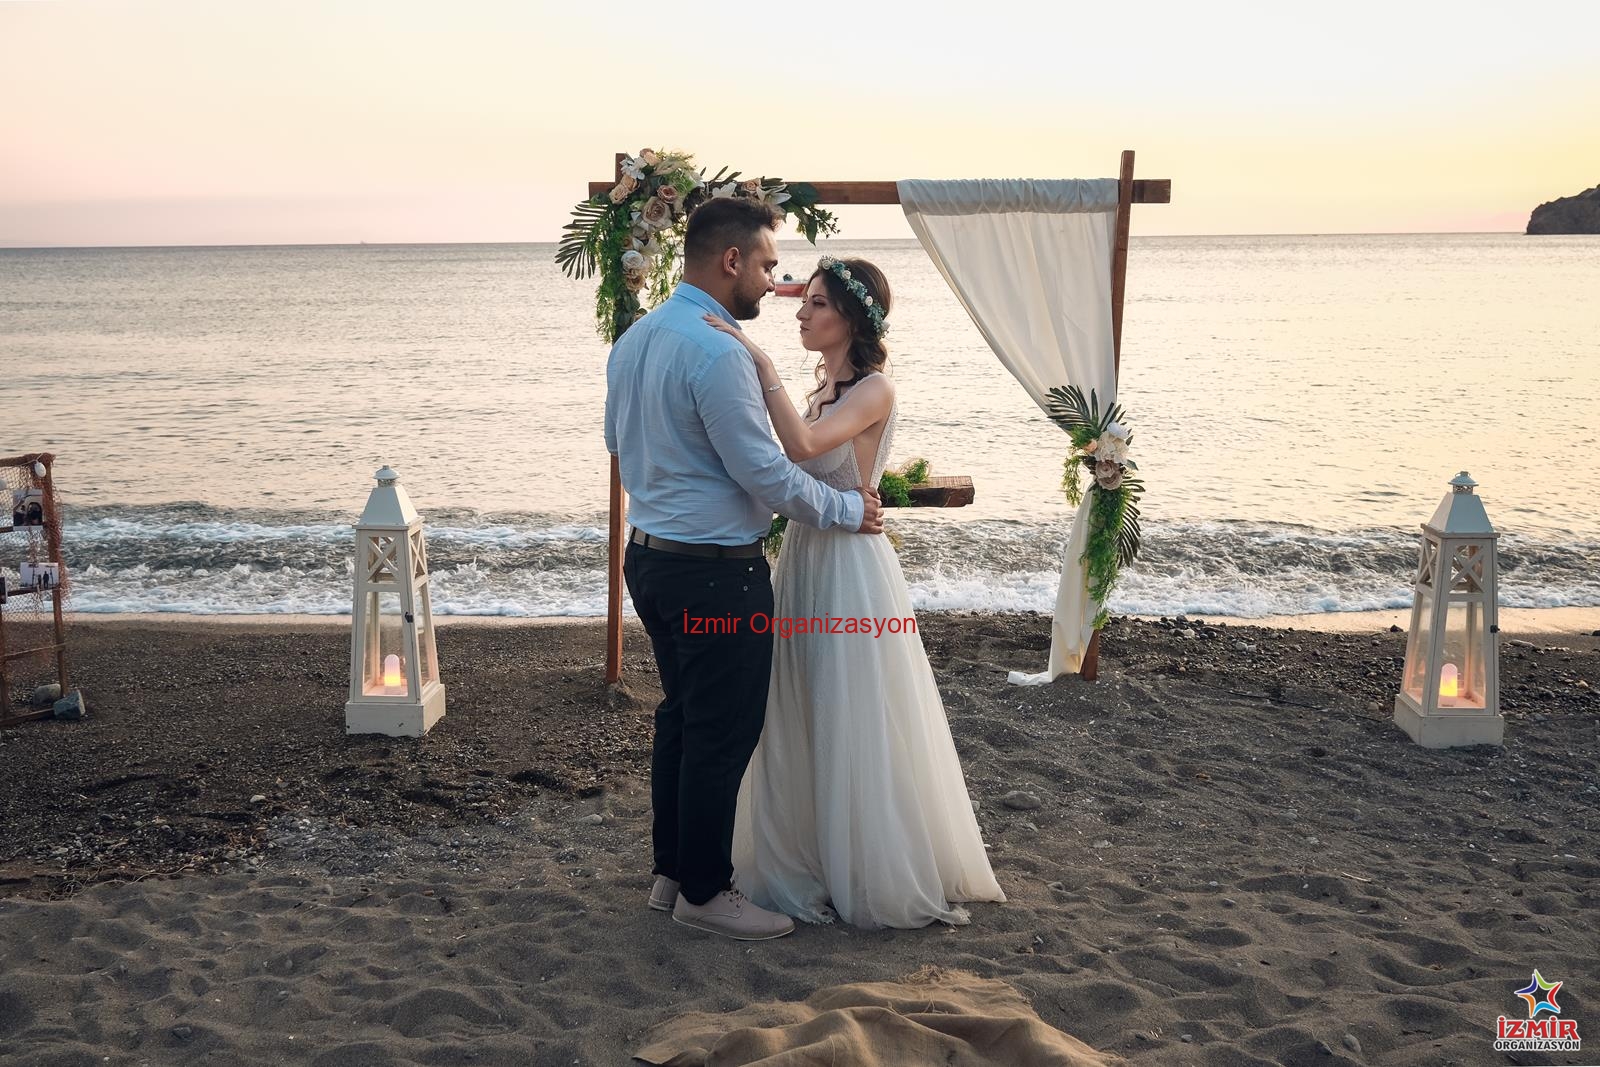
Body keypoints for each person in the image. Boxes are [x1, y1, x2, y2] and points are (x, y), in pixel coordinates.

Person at [604, 199, 885, 941]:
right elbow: (767, 474)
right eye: (765, 265)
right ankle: (705, 891)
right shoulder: (719, 351)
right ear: (731, 261)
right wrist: (846, 509)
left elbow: (617, 442)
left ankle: (672, 874)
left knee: (682, 717)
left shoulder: (634, 340)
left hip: (650, 559)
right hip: (714, 574)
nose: (771, 282)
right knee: (722, 731)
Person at [707, 255, 1006, 929]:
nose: (801, 313)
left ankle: (865, 863)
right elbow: (780, 463)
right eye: (804, 300)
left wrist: (758, 363)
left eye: (816, 303)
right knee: (802, 701)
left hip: (850, 567)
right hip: (806, 555)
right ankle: (812, 850)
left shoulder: (874, 390)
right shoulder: (820, 391)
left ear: (850, 317)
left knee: (851, 706)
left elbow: (803, 446)